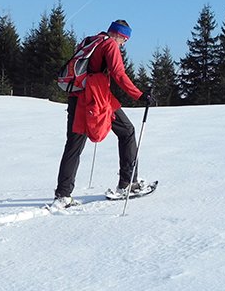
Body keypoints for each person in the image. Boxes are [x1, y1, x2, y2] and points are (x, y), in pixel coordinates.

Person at [52, 19, 151, 208]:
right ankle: (128, 183)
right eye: (124, 40)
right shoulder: (110, 45)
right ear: (119, 35)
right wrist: (140, 95)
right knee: (127, 131)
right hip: (96, 100)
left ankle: (62, 195)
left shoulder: (90, 41)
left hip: (77, 98)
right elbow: (119, 74)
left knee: (74, 145)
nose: (123, 44)